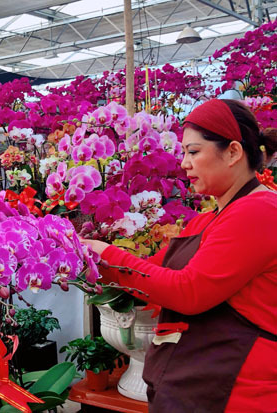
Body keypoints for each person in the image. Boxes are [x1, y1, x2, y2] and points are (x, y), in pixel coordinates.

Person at [81, 99, 277, 413]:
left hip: (237, 390)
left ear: (233, 152)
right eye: (184, 152)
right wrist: (87, 257)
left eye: (194, 151)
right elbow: (150, 275)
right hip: (200, 383)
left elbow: (189, 291)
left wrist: (107, 256)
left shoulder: (259, 211)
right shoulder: (208, 218)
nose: (184, 163)